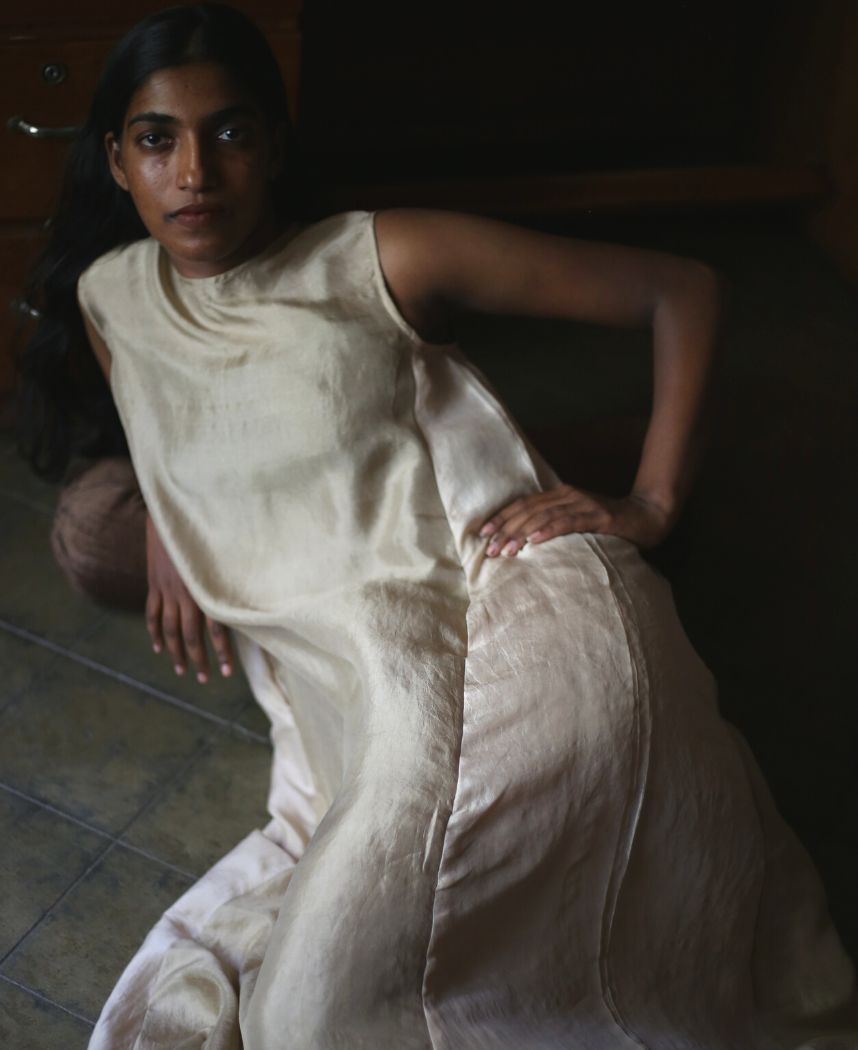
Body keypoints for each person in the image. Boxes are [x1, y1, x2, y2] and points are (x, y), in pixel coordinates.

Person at [18, 4, 858, 1048]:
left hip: (507, 596)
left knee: (321, 1000)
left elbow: (682, 290)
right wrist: (167, 520)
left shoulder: (382, 253)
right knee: (317, 999)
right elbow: (167, 413)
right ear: (115, 159)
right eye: (157, 140)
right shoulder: (110, 295)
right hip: (353, 631)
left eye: (229, 132)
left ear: (274, 146)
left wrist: (652, 501)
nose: (194, 172)